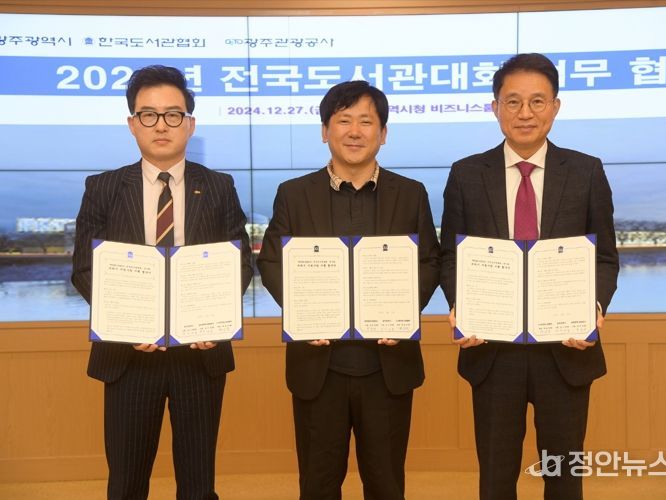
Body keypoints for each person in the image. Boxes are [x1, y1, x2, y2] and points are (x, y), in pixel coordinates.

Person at [440, 53, 619, 499]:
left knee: (564, 475)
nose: (525, 113)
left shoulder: (586, 171)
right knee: (496, 478)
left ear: (555, 107)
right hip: (492, 349)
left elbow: (605, 257)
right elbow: (450, 257)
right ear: (495, 107)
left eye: (537, 101)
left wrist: (593, 307)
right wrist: (461, 306)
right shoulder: (466, 174)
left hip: (566, 350)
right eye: (513, 101)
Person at [71, 65, 253, 500]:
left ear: (190, 123)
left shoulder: (219, 186)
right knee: (127, 483)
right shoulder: (103, 188)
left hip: (199, 356)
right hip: (127, 357)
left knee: (198, 485)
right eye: (148, 115)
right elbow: (84, 269)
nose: (161, 125)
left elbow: (240, 262)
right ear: (132, 123)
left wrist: (215, 318)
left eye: (173, 115)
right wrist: (125, 323)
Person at [256, 80, 441, 499]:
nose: (354, 132)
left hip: (388, 365)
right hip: (318, 366)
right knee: (318, 486)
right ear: (325, 131)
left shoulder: (411, 194)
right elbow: (271, 262)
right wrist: (303, 314)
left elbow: (429, 261)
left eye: (366, 121)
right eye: (343, 121)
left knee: (386, 485)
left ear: (383, 133)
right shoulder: (293, 194)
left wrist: (403, 314)